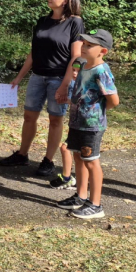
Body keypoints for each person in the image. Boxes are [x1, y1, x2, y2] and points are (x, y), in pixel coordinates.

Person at [0, 0, 84, 180]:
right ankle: (22, 155)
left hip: (59, 78)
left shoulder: (75, 22)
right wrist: (19, 77)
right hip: (37, 77)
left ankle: (48, 160)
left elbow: (76, 56)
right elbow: (33, 52)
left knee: (55, 119)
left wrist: (65, 84)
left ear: (65, 0)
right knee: (29, 116)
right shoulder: (42, 21)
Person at [54, 29, 119, 219]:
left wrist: (95, 112)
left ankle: (96, 205)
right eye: (83, 43)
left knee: (91, 162)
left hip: (91, 126)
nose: (84, 47)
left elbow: (114, 100)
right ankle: (80, 197)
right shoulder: (84, 66)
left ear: (103, 51)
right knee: (79, 159)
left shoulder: (101, 71)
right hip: (77, 122)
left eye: (90, 45)